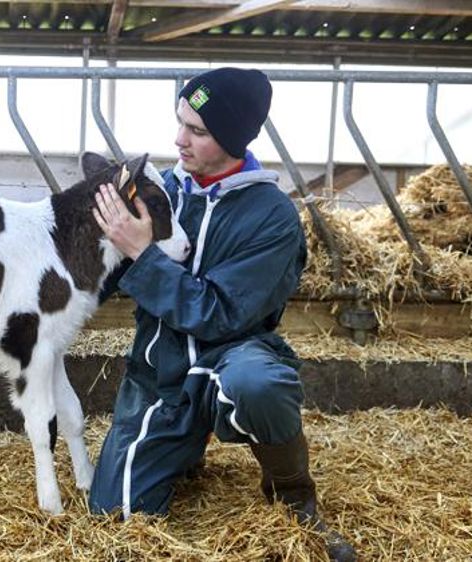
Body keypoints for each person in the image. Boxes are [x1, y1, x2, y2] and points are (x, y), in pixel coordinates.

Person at [88, 67, 356, 562]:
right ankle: (181, 448)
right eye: (180, 123)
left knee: (258, 384)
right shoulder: (159, 191)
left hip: (230, 357)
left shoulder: (271, 216)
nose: (178, 139)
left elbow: (222, 312)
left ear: (232, 138)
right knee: (114, 518)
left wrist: (144, 256)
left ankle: (293, 491)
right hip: (159, 377)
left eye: (198, 130)